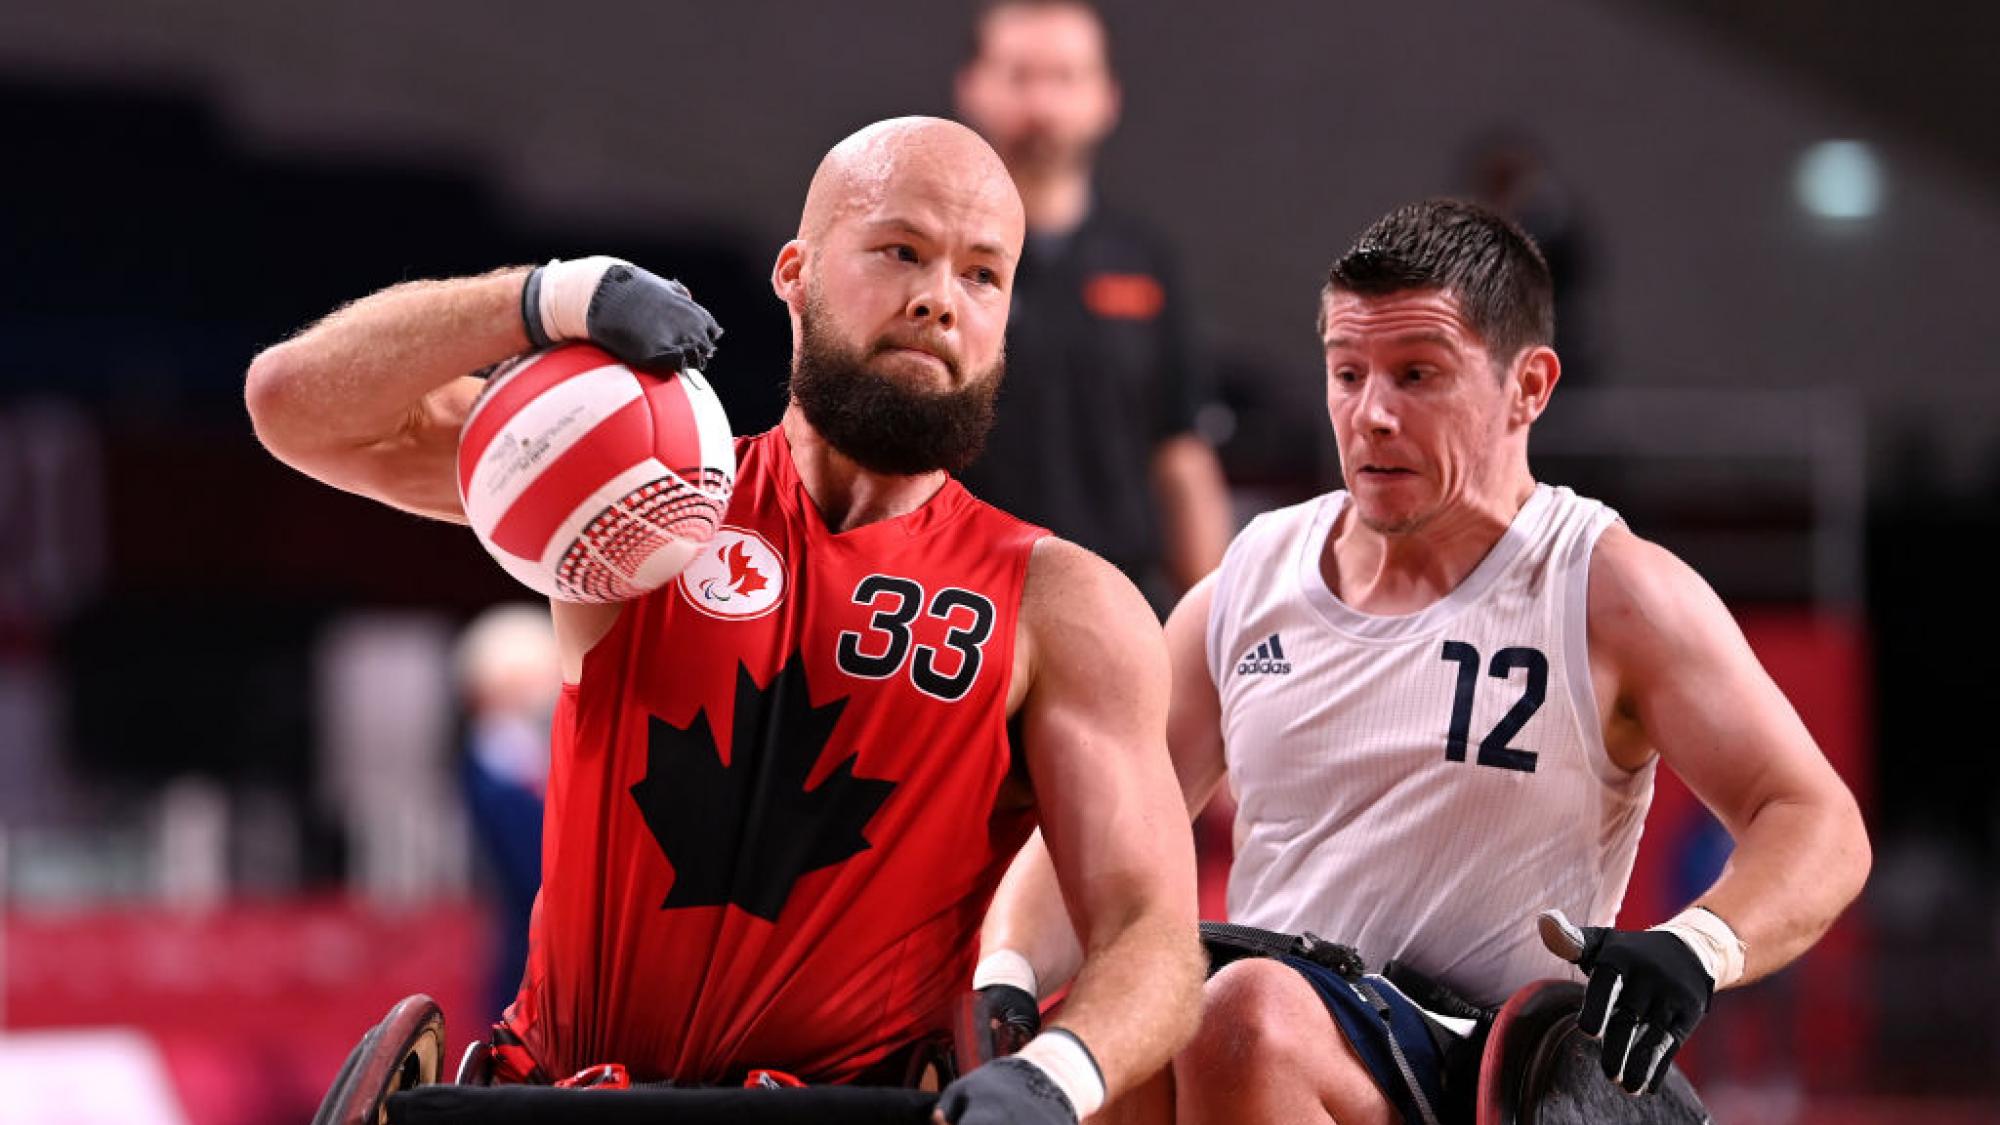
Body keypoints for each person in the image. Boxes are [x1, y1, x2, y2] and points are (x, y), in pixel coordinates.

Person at [244, 116, 1203, 1125]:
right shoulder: (625, 483)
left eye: (982, 276)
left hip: (847, 1116)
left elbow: (1149, 937)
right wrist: (546, 297)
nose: (937, 299)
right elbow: (293, 404)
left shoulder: (1063, 602)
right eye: (900, 252)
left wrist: (1050, 1082)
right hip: (561, 1103)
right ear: (794, 271)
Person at [978, 198, 1871, 1123]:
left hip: (1477, 1064)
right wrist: (1004, 976)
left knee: (1239, 1013)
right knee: (1126, 1030)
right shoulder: (1250, 580)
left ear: (1529, 386)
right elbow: (1112, 822)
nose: (1372, 415)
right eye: (1348, 373)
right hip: (1273, 1045)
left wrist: (1700, 943)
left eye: (1417, 375)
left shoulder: (1608, 589)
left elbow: (1816, 817)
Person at [954, 0, 1232, 604]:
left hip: (1116, 603)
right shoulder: (933, 261)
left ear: (1106, 97)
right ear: (972, 87)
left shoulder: (1144, 263)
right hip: (959, 602)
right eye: (1019, 76)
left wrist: (1217, 623)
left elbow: (1181, 451)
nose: (1041, 105)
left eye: (1064, 78)